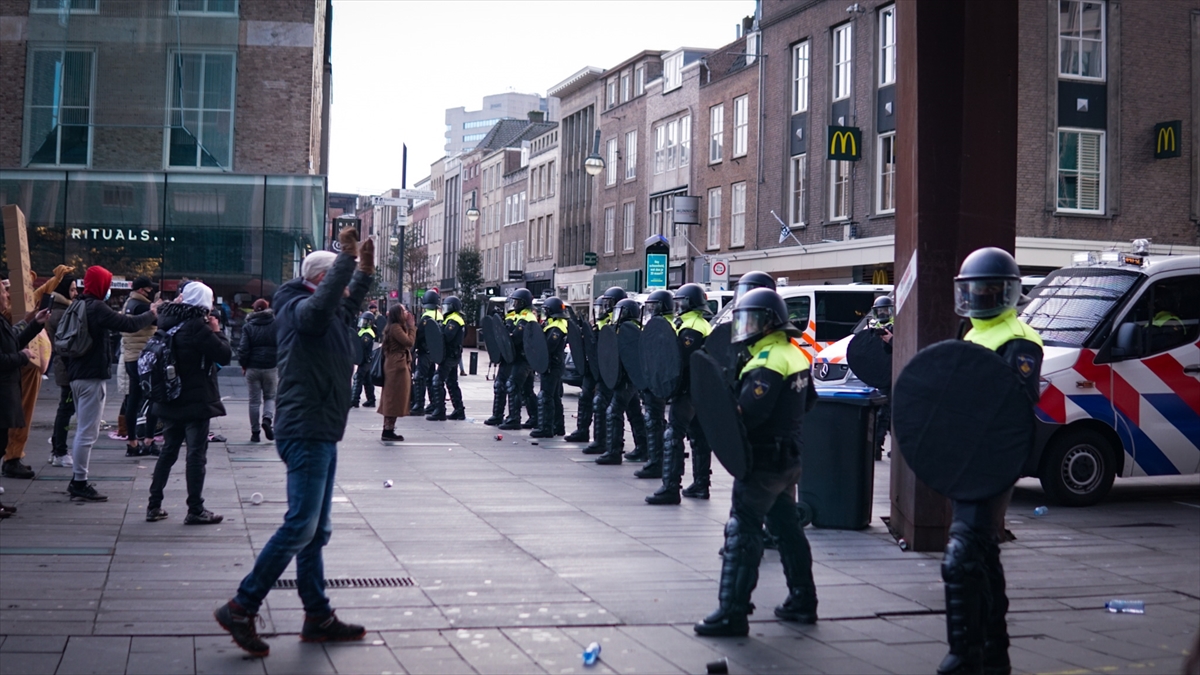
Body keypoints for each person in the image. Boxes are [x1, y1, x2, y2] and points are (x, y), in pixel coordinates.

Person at [214, 228, 374, 657]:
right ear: (324, 280)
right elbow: (324, 306)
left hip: (319, 426)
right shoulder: (298, 308)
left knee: (315, 531)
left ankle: (317, 616)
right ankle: (243, 605)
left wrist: (365, 270)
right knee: (301, 525)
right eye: (337, 281)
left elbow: (347, 304)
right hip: (305, 427)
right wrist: (347, 258)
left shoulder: (326, 309)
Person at [936, 248, 1043, 675]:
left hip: (991, 462)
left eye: (988, 289)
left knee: (961, 555)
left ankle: (964, 654)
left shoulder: (1018, 339)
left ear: (1007, 293)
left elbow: (1010, 406)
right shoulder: (973, 333)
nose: (979, 296)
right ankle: (993, 653)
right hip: (967, 459)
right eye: (973, 289)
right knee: (981, 556)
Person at [694, 288, 819, 637]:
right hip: (789, 459)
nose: (745, 327)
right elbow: (809, 402)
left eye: (752, 320)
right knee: (787, 531)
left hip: (762, 461)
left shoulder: (766, 362)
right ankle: (803, 600)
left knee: (742, 529)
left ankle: (732, 612)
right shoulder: (794, 355)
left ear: (769, 323)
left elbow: (746, 415)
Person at [64, 266, 157, 502]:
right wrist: (153, 313)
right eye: (107, 283)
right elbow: (129, 324)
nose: (108, 288)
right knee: (88, 431)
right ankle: (79, 481)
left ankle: (78, 478)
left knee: (84, 430)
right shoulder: (97, 307)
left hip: (76, 373)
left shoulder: (78, 304)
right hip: (91, 376)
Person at [145, 282, 231, 524]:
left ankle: (153, 505)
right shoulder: (197, 327)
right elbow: (224, 355)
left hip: (170, 399)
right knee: (196, 454)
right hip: (195, 400)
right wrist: (216, 330)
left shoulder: (167, 321)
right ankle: (195, 508)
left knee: (168, 452)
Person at [648, 283, 713, 505]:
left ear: (687, 302)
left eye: (680, 301)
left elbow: (681, 362)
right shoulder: (702, 323)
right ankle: (701, 485)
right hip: (701, 390)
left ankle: (671, 487)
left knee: (673, 435)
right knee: (699, 436)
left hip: (686, 390)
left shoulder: (691, 327)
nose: (677, 306)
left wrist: (672, 388)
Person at [0, 277, 50, 486]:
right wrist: (22, 356)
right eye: (4, 291)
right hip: (4, 388)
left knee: (1, 440)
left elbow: (13, 340)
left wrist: (34, 324)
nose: (7, 295)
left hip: (9, 387)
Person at [595, 298, 649, 466]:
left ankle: (614, 451)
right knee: (634, 413)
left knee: (614, 411)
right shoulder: (625, 329)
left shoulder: (630, 329)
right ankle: (643, 447)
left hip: (626, 379)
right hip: (626, 379)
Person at [629, 290, 674, 477]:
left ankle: (657, 463)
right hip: (654, 379)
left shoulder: (665, 326)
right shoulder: (661, 325)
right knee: (655, 420)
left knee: (654, 420)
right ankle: (657, 458)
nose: (651, 310)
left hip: (658, 381)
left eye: (654, 306)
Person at [120, 276, 159, 457]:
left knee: (133, 400)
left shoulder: (129, 304)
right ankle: (149, 440)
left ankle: (132, 443)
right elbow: (160, 320)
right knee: (154, 399)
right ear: (144, 290)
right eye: (150, 290)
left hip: (130, 358)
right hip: (143, 360)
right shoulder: (141, 306)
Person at [46, 275, 77, 467]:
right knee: (66, 409)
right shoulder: (62, 313)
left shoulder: (60, 310)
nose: (75, 293)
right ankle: (60, 450)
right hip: (66, 366)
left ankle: (57, 447)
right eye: (73, 289)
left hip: (63, 365)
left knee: (65, 408)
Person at [499, 289, 539, 431]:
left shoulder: (527, 317)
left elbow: (515, 337)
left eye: (517, 302)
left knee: (513, 386)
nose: (514, 304)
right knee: (527, 390)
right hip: (523, 358)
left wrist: (510, 331)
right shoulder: (520, 316)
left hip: (523, 358)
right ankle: (535, 417)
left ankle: (514, 418)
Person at [238, 298, 278, 443]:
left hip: (253, 367)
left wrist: (244, 365)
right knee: (270, 397)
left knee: (254, 401)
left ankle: (255, 433)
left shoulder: (248, 326)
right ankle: (267, 419)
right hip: (271, 366)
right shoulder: (276, 324)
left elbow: (243, 349)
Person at [530, 297, 568, 438]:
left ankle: (546, 428)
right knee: (555, 397)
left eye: (546, 310)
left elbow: (548, 347)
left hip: (552, 365)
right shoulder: (555, 324)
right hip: (555, 365)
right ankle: (558, 426)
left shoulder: (557, 327)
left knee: (546, 396)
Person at [378, 303, 416, 440]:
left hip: (397, 363)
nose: (407, 313)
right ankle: (387, 431)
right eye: (404, 311)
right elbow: (409, 342)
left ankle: (389, 428)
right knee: (393, 397)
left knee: (395, 396)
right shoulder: (395, 328)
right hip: (396, 366)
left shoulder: (397, 327)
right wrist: (412, 327)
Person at [426, 295, 466, 421]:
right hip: (451, 355)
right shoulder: (450, 319)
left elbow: (446, 337)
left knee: (437, 380)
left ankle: (440, 410)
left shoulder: (454, 320)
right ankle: (459, 410)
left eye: (447, 306)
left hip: (450, 356)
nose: (444, 309)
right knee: (451, 383)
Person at [410, 291, 441, 415]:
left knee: (419, 376)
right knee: (430, 377)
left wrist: (413, 347)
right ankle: (433, 404)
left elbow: (420, 334)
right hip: (434, 351)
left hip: (424, 351)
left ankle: (419, 405)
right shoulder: (439, 316)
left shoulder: (426, 317)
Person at [484, 301, 513, 426]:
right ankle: (498, 415)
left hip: (517, 359)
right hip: (508, 357)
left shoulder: (523, 319)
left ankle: (513, 418)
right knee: (501, 385)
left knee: (513, 387)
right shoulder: (513, 317)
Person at [351, 306, 378, 408]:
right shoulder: (362, 331)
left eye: (366, 321)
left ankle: (354, 400)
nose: (363, 322)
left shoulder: (368, 333)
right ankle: (371, 400)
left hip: (365, 359)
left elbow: (362, 345)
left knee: (358, 378)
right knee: (367, 380)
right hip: (364, 359)